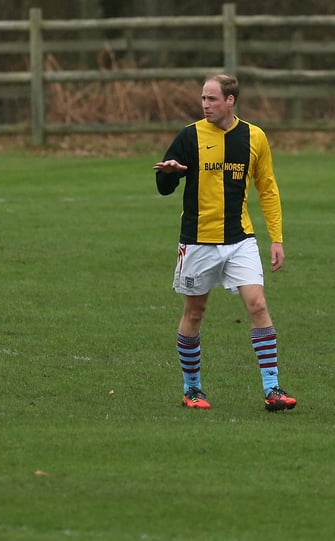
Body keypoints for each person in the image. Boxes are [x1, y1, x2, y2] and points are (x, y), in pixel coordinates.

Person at [153, 73, 296, 412]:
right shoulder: (189, 136)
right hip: (198, 240)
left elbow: (268, 188)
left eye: (212, 99)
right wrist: (170, 174)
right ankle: (192, 389)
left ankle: (273, 389)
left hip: (240, 238)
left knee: (258, 305)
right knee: (195, 311)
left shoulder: (254, 137)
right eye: (203, 99)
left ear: (230, 100)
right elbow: (162, 185)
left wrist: (276, 238)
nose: (205, 105)